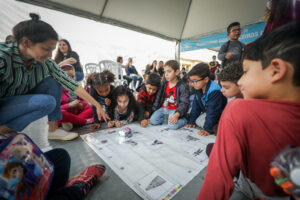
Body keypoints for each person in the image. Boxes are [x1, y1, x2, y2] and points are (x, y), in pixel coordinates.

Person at [197, 22, 300, 200]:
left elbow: (218, 176)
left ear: (275, 70)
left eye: (245, 72)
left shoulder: (238, 109)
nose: (241, 81)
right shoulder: (226, 47)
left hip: (253, 188)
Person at [0, 13, 109, 141]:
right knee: (48, 102)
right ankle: (5, 129)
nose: (51, 55)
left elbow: (70, 82)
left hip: (17, 101)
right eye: (46, 49)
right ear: (26, 42)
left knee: (53, 81)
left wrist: (96, 105)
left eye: (52, 49)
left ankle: (53, 128)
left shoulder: (46, 62)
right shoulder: (3, 57)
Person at [186, 63, 227, 136]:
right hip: (208, 111)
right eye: (191, 81)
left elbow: (213, 111)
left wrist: (207, 129)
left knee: (200, 122)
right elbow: (196, 107)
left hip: (219, 114)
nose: (192, 84)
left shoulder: (215, 91)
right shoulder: (199, 87)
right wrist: (191, 122)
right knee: (193, 116)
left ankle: (216, 126)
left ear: (206, 79)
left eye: (195, 81)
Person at [150, 60, 189, 130]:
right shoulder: (164, 83)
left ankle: (184, 120)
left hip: (175, 109)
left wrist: (177, 114)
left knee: (172, 126)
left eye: (169, 71)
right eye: (165, 72)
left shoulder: (182, 86)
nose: (166, 74)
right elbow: (158, 97)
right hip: (163, 108)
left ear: (177, 72)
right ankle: (169, 120)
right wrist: (154, 110)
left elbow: (184, 103)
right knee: (153, 120)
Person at [59, 64, 93, 131]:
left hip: (77, 113)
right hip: (66, 114)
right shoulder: (57, 90)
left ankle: (73, 122)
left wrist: (81, 104)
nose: (70, 79)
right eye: (67, 77)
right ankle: (85, 121)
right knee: (61, 113)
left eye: (72, 77)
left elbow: (83, 100)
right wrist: (69, 105)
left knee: (92, 108)